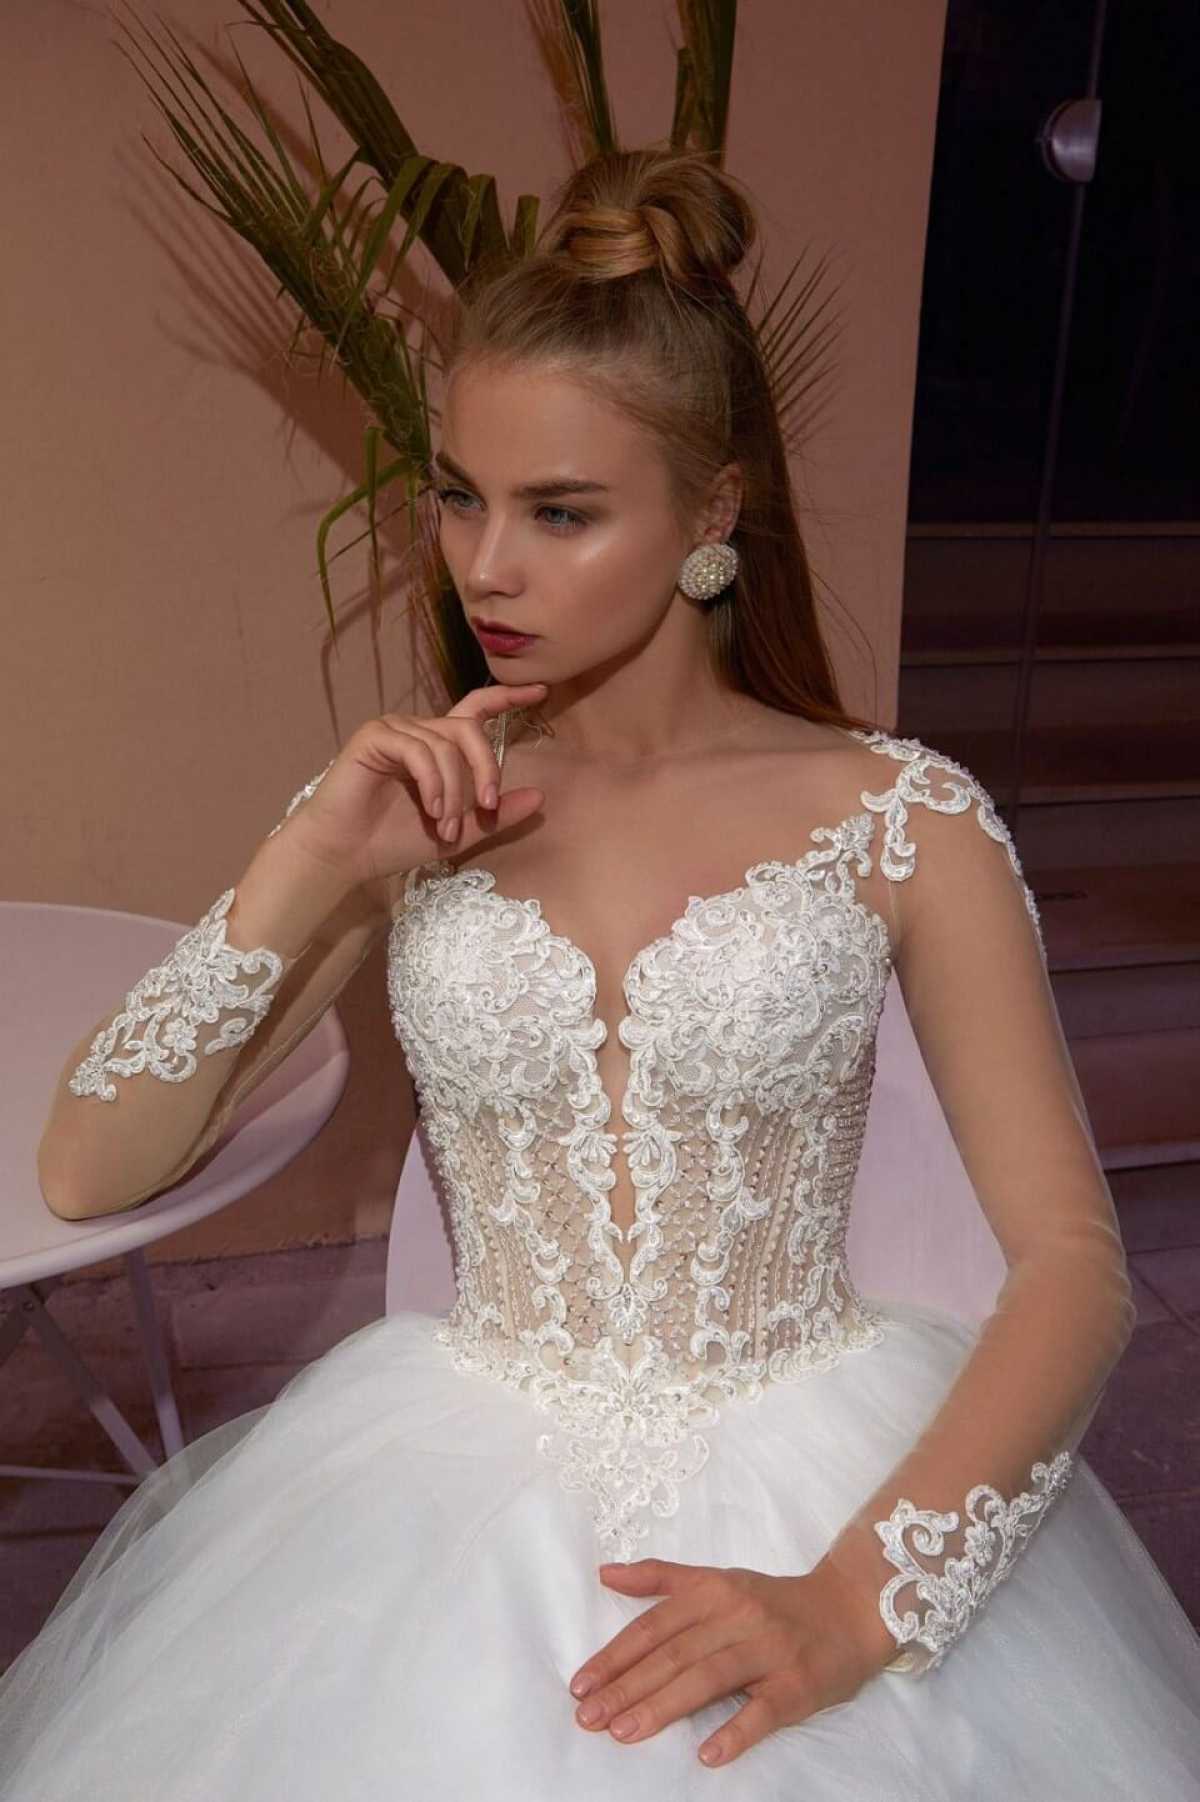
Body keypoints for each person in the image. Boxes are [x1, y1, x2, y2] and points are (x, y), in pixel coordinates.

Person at [4, 146, 1199, 1799]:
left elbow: (1076, 1266)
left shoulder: (903, 818)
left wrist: (856, 1602)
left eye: (559, 511)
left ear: (712, 513)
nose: (484, 566)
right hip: (440, 1496)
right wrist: (313, 860)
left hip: (812, 1473)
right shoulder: (415, 807)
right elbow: (90, 1162)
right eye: (458, 495)